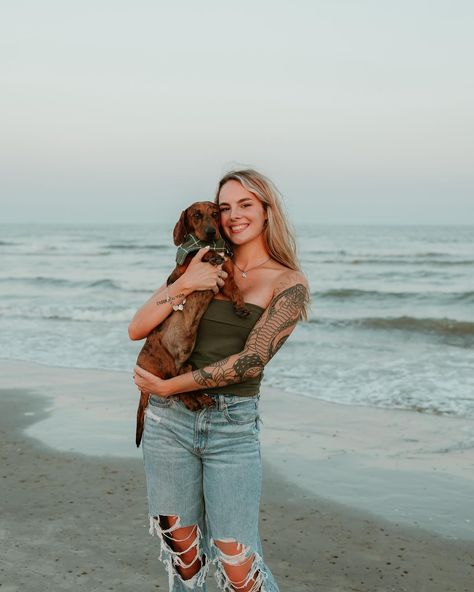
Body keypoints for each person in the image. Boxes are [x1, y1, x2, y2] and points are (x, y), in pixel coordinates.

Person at [129, 169, 309, 592]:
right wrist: (187, 282)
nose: (233, 216)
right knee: (185, 559)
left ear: (267, 212)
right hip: (167, 423)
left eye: (245, 205)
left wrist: (171, 386)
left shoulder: (288, 282)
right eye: (225, 207)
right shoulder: (198, 263)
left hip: (230, 425)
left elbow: (251, 361)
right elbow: (138, 327)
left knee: (237, 565)